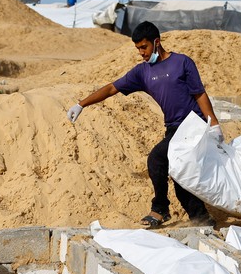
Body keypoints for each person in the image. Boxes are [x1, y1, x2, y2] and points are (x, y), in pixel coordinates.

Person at [67, 21, 221, 228]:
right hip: (173, 129)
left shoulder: (182, 62)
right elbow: (113, 88)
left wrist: (214, 123)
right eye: (138, 48)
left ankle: (160, 209)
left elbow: (199, 93)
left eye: (144, 47)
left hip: (193, 125)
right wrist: (81, 104)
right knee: (178, 176)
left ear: (156, 42)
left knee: (157, 158)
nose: (141, 53)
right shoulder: (143, 72)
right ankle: (202, 220)